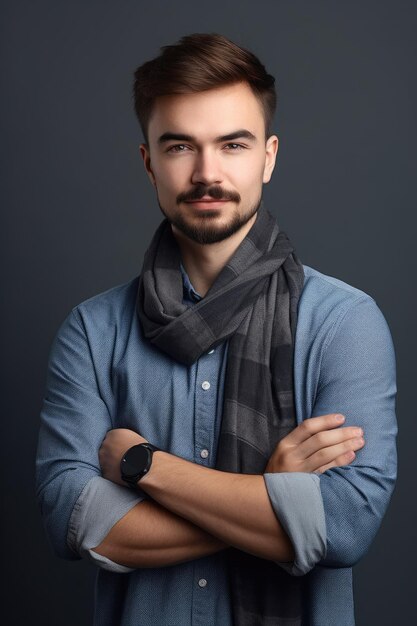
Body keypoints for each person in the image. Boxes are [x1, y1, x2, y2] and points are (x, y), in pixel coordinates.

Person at [36, 33, 397, 626]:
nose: (208, 172)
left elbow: (345, 527)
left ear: (269, 157)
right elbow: (70, 520)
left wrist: (144, 466)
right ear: (149, 161)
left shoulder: (344, 322)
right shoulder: (92, 331)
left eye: (233, 144)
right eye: (181, 145)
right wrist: (271, 499)